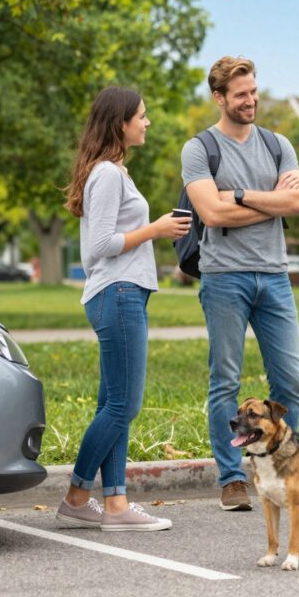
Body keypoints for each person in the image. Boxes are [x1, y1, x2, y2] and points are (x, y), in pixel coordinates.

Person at [56, 86, 191, 531]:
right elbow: (100, 246)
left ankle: (115, 504)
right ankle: (77, 496)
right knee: (123, 406)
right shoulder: (108, 175)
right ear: (121, 122)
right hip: (118, 293)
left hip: (121, 293)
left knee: (113, 405)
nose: (147, 122)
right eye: (142, 116)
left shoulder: (111, 172)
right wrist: (155, 229)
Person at [181, 56, 299, 511]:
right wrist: (273, 202)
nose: (251, 100)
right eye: (240, 95)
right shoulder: (199, 150)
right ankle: (233, 478)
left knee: (289, 379)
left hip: (274, 276)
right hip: (224, 278)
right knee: (226, 380)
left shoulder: (277, 145)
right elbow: (211, 213)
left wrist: (238, 195)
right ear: (219, 98)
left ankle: (289, 472)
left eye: (253, 91)